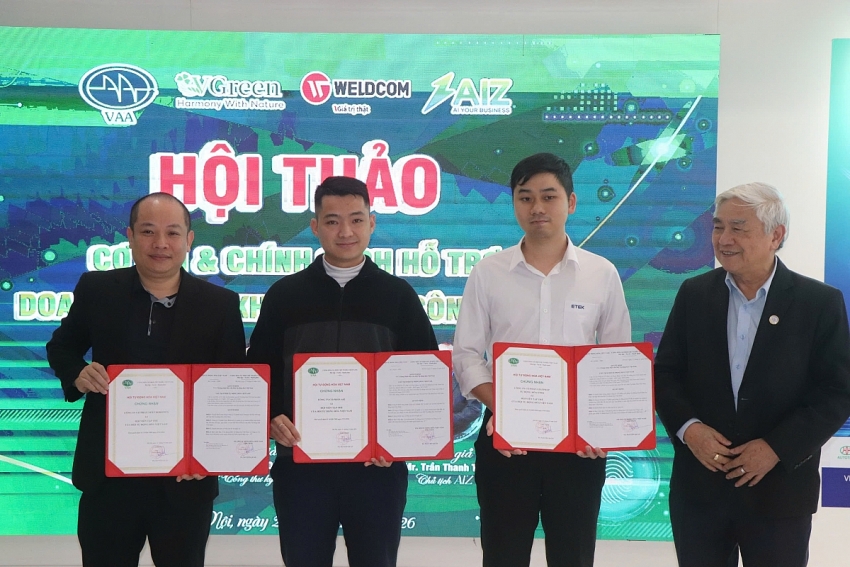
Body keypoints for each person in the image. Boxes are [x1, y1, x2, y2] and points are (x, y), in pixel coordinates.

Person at [654, 182, 850, 567]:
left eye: (738, 228)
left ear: (776, 235)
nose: (724, 239)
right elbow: (666, 374)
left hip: (779, 492)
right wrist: (690, 430)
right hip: (700, 492)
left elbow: (837, 392)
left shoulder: (818, 303)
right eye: (718, 226)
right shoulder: (694, 294)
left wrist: (776, 448)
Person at [46, 193, 246, 567]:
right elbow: (62, 348)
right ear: (130, 237)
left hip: (185, 480)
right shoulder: (97, 290)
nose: (160, 243)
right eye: (148, 231)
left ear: (189, 239)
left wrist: (210, 455)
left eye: (173, 232)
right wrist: (78, 373)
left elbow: (231, 388)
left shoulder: (219, 304)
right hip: (108, 479)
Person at [246, 176, 438, 567]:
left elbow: (424, 378)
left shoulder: (399, 296)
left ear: (372, 223)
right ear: (315, 226)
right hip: (301, 468)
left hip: (377, 471)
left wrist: (399, 440)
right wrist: (271, 417)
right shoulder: (284, 295)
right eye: (332, 221)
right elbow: (258, 372)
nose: (345, 231)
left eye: (356, 219)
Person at [453, 152, 632, 567]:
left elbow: (617, 361)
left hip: (579, 447)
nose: (537, 207)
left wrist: (599, 423)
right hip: (505, 440)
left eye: (549, 197)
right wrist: (506, 407)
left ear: (571, 202)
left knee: (573, 556)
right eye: (525, 197)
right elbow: (466, 355)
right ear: (514, 203)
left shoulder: (601, 273)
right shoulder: (488, 272)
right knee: (503, 555)